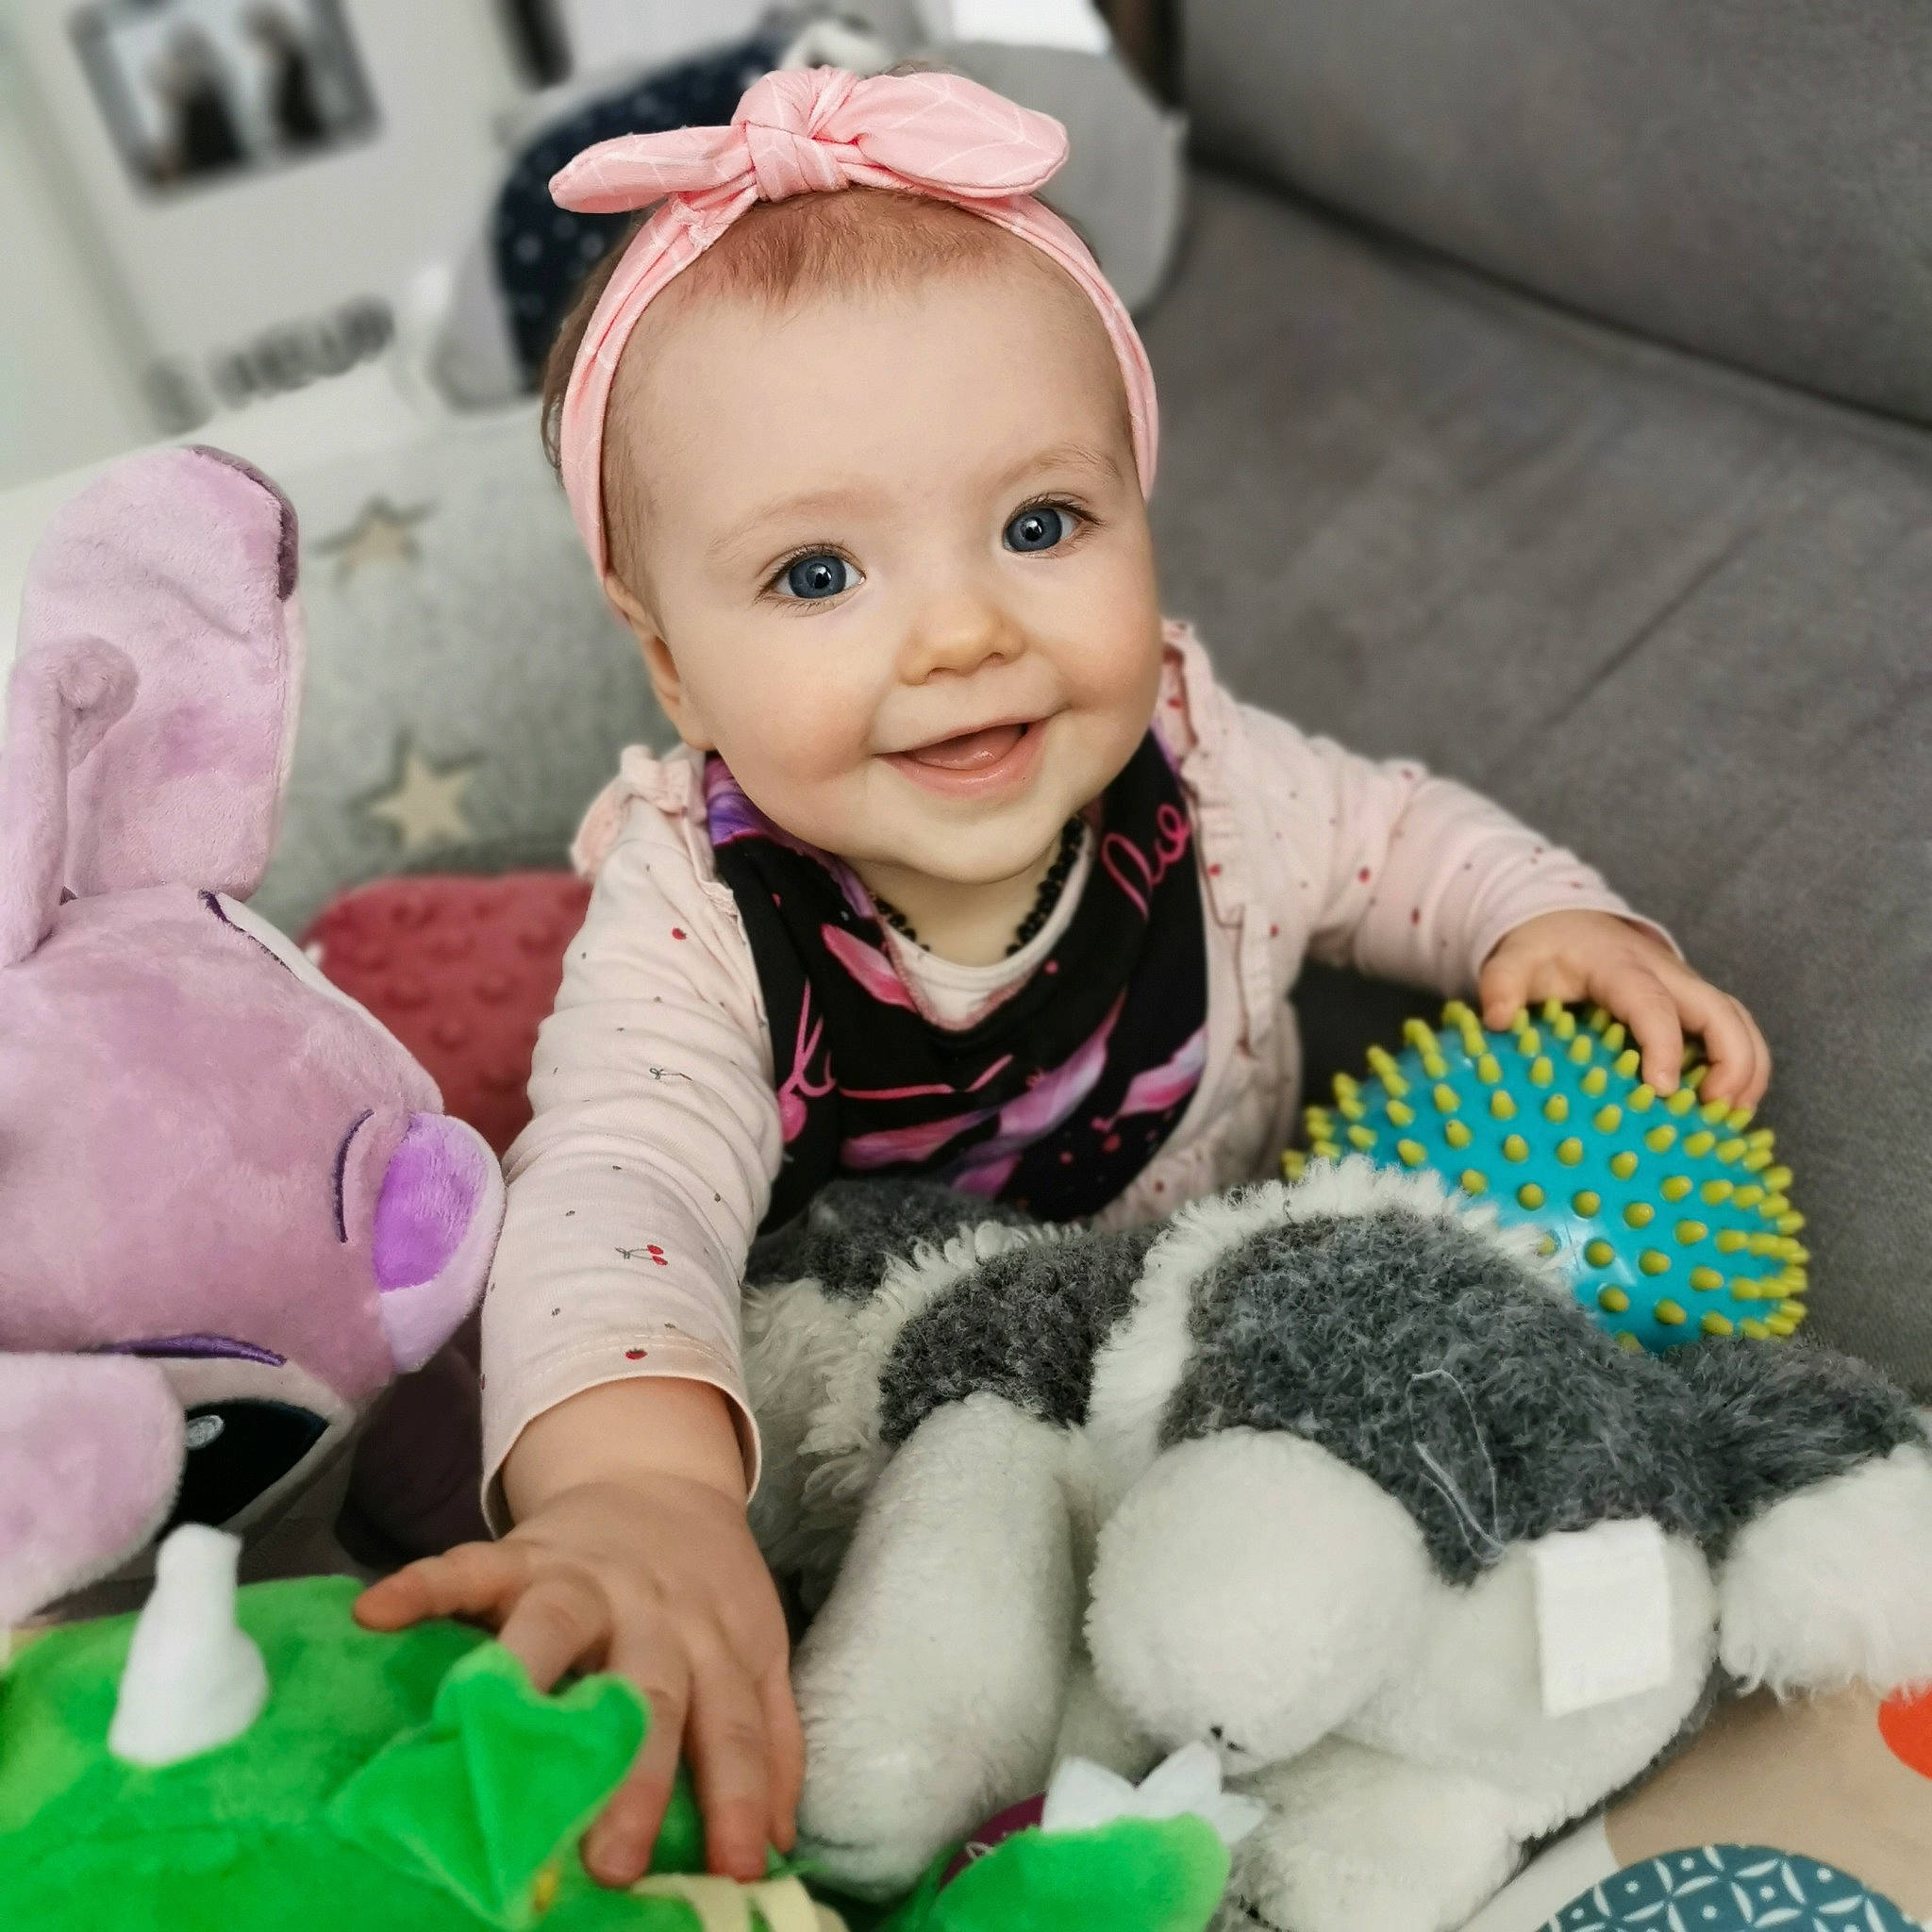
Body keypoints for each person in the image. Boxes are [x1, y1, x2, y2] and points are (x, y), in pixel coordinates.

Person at [356, 66, 1773, 1891]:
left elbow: (1394, 836)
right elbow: (621, 1182)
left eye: (1042, 526)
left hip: (1179, 1375)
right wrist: (636, 1490)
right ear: (676, 672)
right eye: (815, 573)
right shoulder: (704, 911)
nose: (961, 632)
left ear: (1138, 513)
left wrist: (1542, 925)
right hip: (881, 1422)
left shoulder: (1196, 770)